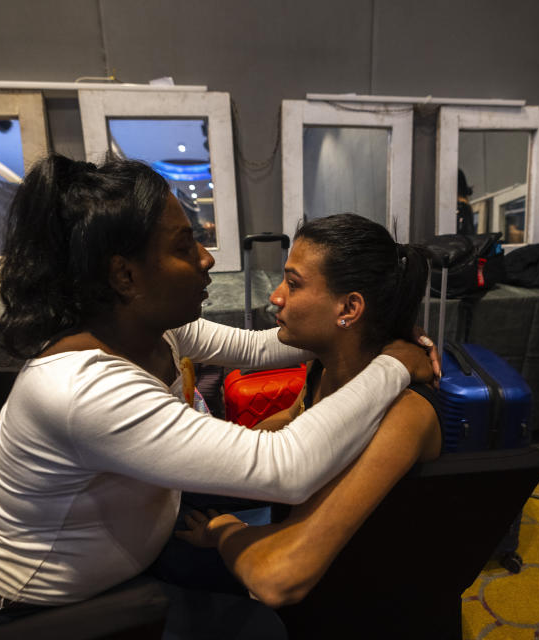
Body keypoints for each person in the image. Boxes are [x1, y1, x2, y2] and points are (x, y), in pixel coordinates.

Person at [0, 155, 435, 639]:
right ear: (125, 276)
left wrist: (368, 332)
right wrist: (394, 362)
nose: (206, 257)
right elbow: (286, 467)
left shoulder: (153, 331)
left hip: (136, 542)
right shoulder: (83, 388)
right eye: (184, 245)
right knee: (261, 628)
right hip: (23, 615)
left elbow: (265, 344)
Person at [176, 213, 443, 610]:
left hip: (361, 600)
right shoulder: (325, 363)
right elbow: (293, 417)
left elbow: (280, 575)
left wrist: (225, 530)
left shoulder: (405, 411)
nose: (276, 296)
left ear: (349, 309)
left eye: (293, 283)